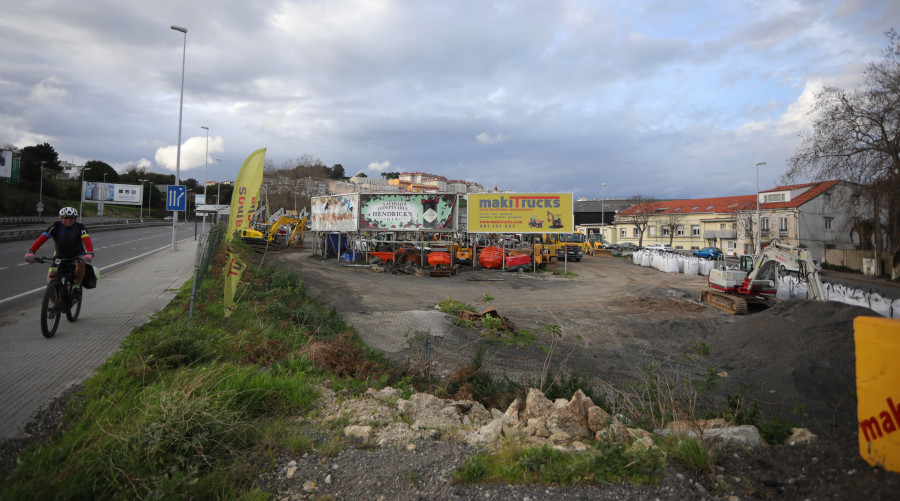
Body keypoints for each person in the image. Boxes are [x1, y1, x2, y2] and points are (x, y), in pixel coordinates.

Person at [24, 207, 94, 297]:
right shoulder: (55, 226)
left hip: (77, 254)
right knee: (51, 281)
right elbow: (42, 239)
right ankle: (53, 307)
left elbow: (86, 240)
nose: (68, 220)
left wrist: (89, 253)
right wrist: (31, 251)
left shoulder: (80, 227)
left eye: (71, 218)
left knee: (80, 263)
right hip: (59, 256)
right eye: (65, 218)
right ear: (61, 218)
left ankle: (77, 286)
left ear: (75, 218)